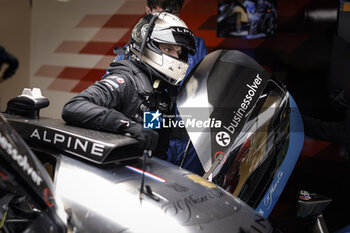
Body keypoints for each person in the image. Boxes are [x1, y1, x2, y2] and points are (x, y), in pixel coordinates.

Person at [62, 12, 196, 159]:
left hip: (134, 171)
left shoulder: (159, 94)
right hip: (103, 167)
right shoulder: (125, 80)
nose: (176, 58)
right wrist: (128, 126)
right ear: (146, 44)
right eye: (168, 49)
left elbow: (156, 149)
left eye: (179, 52)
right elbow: (74, 106)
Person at [110, 0, 208, 175]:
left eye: (174, 13)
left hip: (189, 140)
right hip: (155, 133)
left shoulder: (195, 45)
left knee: (190, 192)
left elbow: (206, 90)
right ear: (148, 11)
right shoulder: (139, 44)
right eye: (163, 12)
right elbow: (116, 91)